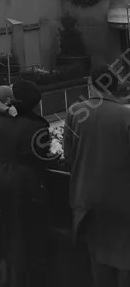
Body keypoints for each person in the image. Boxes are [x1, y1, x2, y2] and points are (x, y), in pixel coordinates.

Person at [0, 79, 53, 287]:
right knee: (20, 231)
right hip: (24, 183)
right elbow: (42, 159)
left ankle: (3, 278)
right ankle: (18, 280)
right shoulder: (38, 125)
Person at [64, 64, 130, 286]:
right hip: (122, 199)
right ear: (115, 86)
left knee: (98, 256)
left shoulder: (75, 112)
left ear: (91, 85)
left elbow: (68, 156)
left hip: (87, 198)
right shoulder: (126, 116)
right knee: (124, 257)